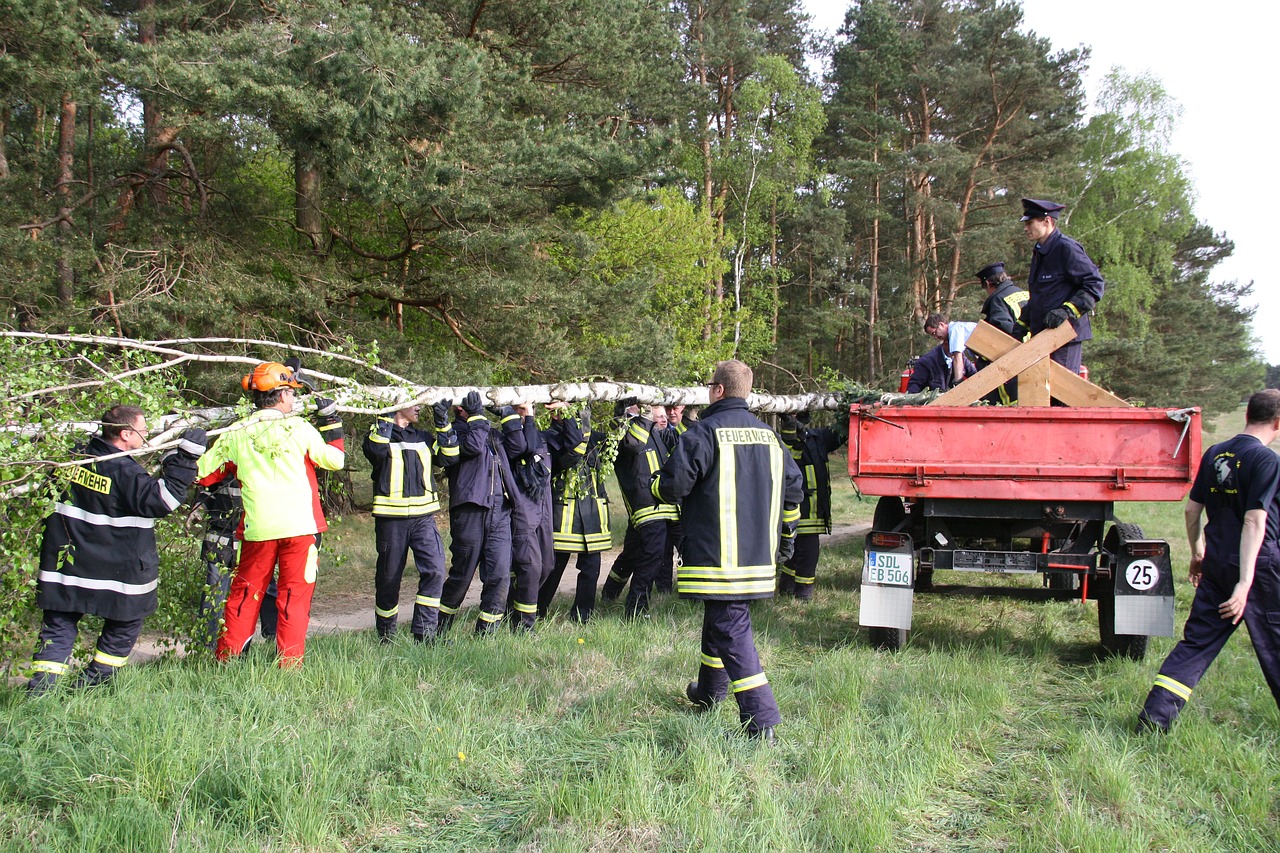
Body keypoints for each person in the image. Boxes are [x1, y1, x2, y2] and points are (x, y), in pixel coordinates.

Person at [651, 360, 803, 741]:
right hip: (758, 560)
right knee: (719, 622)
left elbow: (673, 487)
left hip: (717, 560)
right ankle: (709, 693)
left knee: (731, 632)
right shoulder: (771, 437)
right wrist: (786, 540)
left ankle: (761, 719)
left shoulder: (703, 433)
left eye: (709, 384)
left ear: (718, 390)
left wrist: (653, 485)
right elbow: (794, 491)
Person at [28, 405, 205, 692]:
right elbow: (162, 500)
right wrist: (186, 459)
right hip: (116, 572)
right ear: (125, 434)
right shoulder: (123, 471)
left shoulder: (72, 459)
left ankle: (42, 690)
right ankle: (94, 684)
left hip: (67, 569)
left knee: (58, 627)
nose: (147, 434)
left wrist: (168, 460)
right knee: (124, 625)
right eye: (143, 429)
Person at [1136, 389, 1280, 733]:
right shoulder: (1267, 460)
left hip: (1216, 562)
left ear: (1248, 415)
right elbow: (1254, 520)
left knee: (1197, 643)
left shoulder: (1217, 453)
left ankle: (1154, 719)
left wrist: (1198, 552)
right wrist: (1245, 584)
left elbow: (1191, 509)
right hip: (1258, 567)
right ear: (1277, 421)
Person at [196, 361, 345, 667]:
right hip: (300, 529)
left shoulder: (238, 431)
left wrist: (189, 444)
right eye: (291, 393)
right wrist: (332, 424)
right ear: (279, 396)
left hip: (258, 530)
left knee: (244, 595)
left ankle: (228, 660)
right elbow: (335, 461)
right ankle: (289, 665)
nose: (294, 399)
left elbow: (204, 473)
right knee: (293, 598)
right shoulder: (300, 428)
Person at [361, 397, 459, 643]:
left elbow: (450, 457)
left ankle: (425, 632)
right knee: (389, 578)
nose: (419, 408)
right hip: (391, 520)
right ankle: (386, 635)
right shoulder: (379, 434)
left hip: (423, 519)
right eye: (413, 402)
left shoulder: (424, 437)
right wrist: (384, 415)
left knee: (435, 571)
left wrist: (443, 423)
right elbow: (375, 451)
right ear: (396, 405)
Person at [438, 391, 525, 635]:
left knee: (499, 576)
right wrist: (477, 416)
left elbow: (518, 445)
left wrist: (507, 414)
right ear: (460, 409)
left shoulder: (488, 431)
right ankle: (437, 629)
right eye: (473, 406)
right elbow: (473, 447)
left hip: (500, 511)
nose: (480, 409)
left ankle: (487, 633)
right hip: (470, 511)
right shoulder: (454, 433)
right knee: (462, 575)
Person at [601, 401, 678, 618]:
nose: (660, 418)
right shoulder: (621, 430)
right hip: (646, 509)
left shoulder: (654, 432)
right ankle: (635, 608)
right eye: (654, 412)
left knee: (631, 555)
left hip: (664, 507)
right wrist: (643, 416)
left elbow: (680, 442)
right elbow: (633, 445)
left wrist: (687, 414)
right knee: (652, 556)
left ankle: (609, 594)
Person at [537, 405, 611, 623]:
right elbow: (572, 453)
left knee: (591, 569)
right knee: (553, 569)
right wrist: (579, 422)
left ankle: (582, 617)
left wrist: (624, 411)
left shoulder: (592, 436)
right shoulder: (549, 437)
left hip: (592, 517)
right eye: (563, 412)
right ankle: (537, 612)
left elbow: (615, 440)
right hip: (565, 518)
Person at [190, 473, 277, 649]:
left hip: (254, 537)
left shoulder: (265, 460)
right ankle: (206, 644)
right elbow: (208, 489)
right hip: (220, 539)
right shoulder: (223, 459)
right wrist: (198, 509)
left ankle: (272, 638)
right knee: (214, 592)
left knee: (265, 587)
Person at [1020, 197, 1105, 374]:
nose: (1025, 228)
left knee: (1060, 396)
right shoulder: (1040, 252)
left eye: (1030, 223)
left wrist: (1066, 311)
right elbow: (1042, 295)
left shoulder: (1066, 248)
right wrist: (1023, 322)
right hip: (1043, 336)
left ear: (1047, 221)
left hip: (1063, 336)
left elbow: (1094, 285)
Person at [777, 411, 847, 600]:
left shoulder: (817, 438)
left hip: (813, 508)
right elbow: (791, 452)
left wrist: (848, 412)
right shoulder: (782, 442)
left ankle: (800, 591)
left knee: (806, 551)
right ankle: (793, 589)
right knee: (794, 549)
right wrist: (791, 429)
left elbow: (840, 432)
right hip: (795, 505)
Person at [507, 401, 557, 631]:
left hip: (544, 508)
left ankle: (513, 605)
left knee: (547, 566)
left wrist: (564, 411)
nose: (525, 412)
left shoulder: (543, 436)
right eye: (520, 409)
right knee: (531, 567)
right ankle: (524, 625)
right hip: (523, 510)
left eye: (528, 408)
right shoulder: (509, 436)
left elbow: (575, 443)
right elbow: (524, 448)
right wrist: (527, 418)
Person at [977, 262, 1029, 339]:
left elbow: (1003, 328)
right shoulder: (1024, 292)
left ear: (987, 284)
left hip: (1023, 347)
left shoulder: (997, 300)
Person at [923, 313, 978, 385]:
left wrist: (958, 382)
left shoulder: (954, 330)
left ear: (941, 325)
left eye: (934, 333)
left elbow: (957, 359)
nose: (936, 337)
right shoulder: (959, 327)